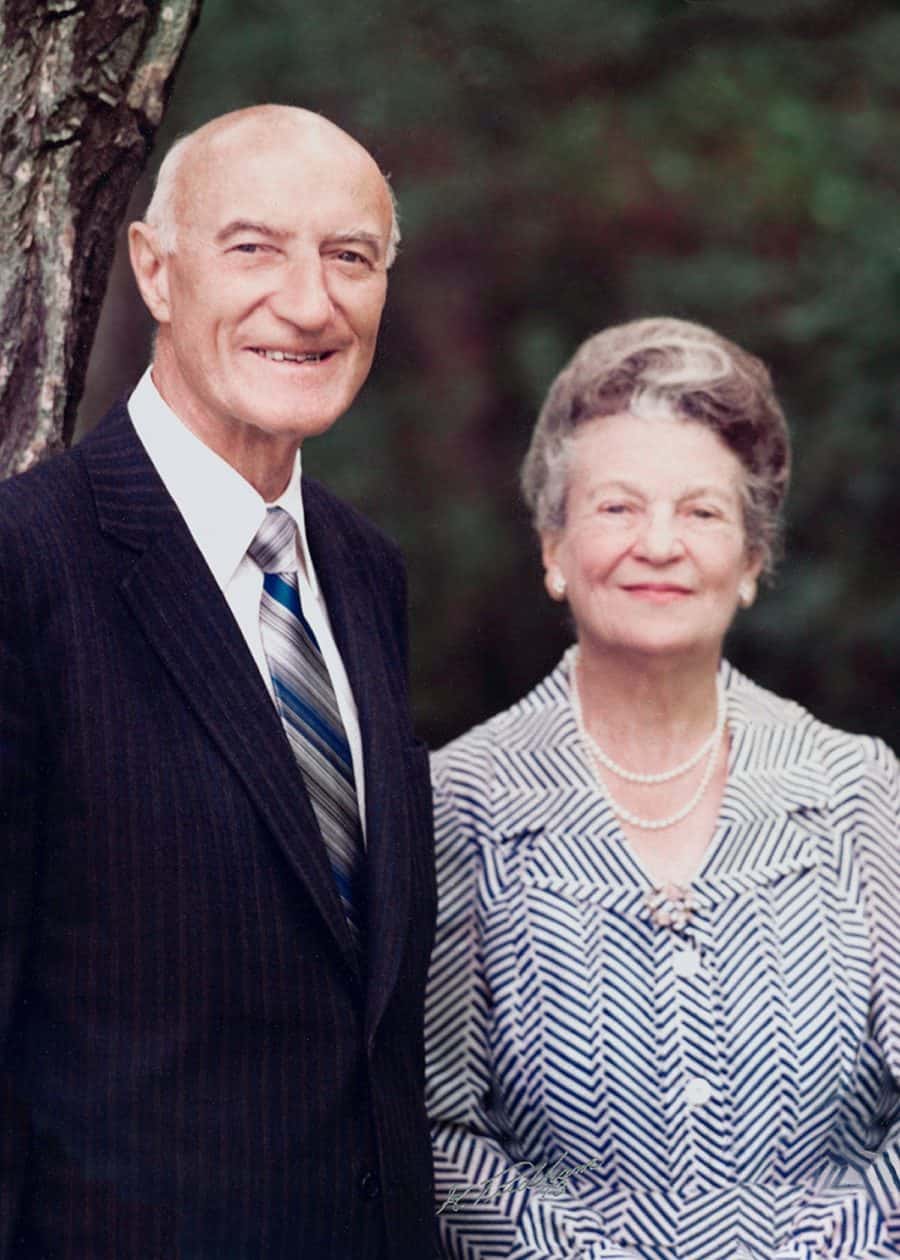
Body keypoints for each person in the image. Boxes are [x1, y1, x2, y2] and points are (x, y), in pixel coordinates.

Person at [0, 105, 436, 1259]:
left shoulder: (365, 572)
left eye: (351, 256)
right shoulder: (25, 566)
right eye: (253, 247)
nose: (308, 302)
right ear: (155, 267)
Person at [425, 317, 900, 1259]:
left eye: (702, 512)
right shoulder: (458, 802)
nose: (658, 544)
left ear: (753, 561)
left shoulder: (860, 791)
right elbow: (437, 1134)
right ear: (554, 550)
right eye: (615, 508)